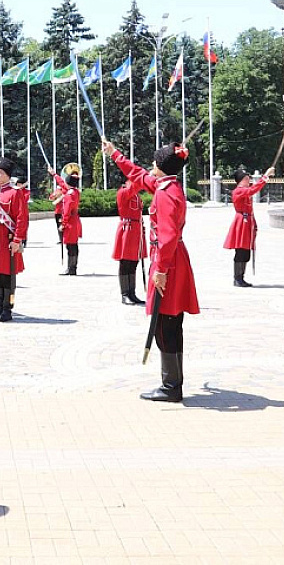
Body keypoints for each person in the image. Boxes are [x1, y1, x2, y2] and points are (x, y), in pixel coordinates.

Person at [105, 139, 199, 402]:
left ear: (160, 165)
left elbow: (167, 235)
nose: (150, 166)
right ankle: (173, 382)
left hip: (167, 261)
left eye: (154, 162)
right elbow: (137, 174)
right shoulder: (166, 185)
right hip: (171, 259)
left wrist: (161, 270)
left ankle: (171, 387)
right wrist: (115, 154)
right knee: (170, 323)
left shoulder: (164, 193)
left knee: (165, 325)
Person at [0, 158, 29, 322]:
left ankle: (8, 308)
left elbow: (22, 218)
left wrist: (17, 240)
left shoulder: (15, 192)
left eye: (0, 172)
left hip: (6, 239)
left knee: (7, 276)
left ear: (7, 175)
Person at [224, 167, 274, 287]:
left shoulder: (244, 190)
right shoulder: (239, 191)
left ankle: (241, 277)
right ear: (241, 180)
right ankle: (237, 278)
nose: (249, 180)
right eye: (247, 178)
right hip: (241, 221)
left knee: (246, 251)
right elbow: (253, 190)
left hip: (247, 221)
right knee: (241, 250)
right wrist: (265, 176)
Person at [114, 176, 148, 305]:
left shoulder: (135, 194)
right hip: (127, 229)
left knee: (134, 261)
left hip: (136, 229)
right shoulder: (124, 191)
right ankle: (125, 294)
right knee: (125, 262)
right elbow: (137, 186)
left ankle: (132, 293)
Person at [53, 166, 82, 275]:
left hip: (70, 221)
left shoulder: (69, 195)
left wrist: (63, 224)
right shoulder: (75, 192)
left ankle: (71, 268)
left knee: (70, 245)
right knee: (74, 245)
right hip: (75, 220)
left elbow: (66, 211)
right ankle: (73, 267)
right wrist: (55, 175)